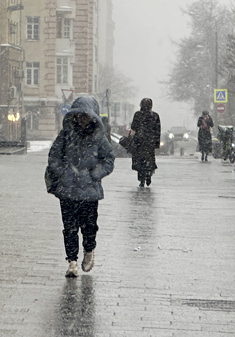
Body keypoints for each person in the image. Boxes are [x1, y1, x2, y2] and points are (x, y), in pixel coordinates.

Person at [45, 95, 115, 278]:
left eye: (85, 116)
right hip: (67, 190)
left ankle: (89, 250)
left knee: (89, 226)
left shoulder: (99, 138)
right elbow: (53, 156)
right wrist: (63, 172)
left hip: (89, 191)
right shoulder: (66, 136)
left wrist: (94, 174)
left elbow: (108, 160)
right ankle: (72, 261)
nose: (82, 119)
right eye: (79, 116)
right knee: (69, 227)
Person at [128, 98, 161, 187]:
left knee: (140, 160)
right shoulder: (155, 116)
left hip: (139, 141)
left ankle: (141, 178)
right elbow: (157, 130)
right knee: (149, 159)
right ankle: (148, 175)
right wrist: (156, 142)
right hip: (150, 142)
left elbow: (133, 127)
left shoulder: (138, 115)